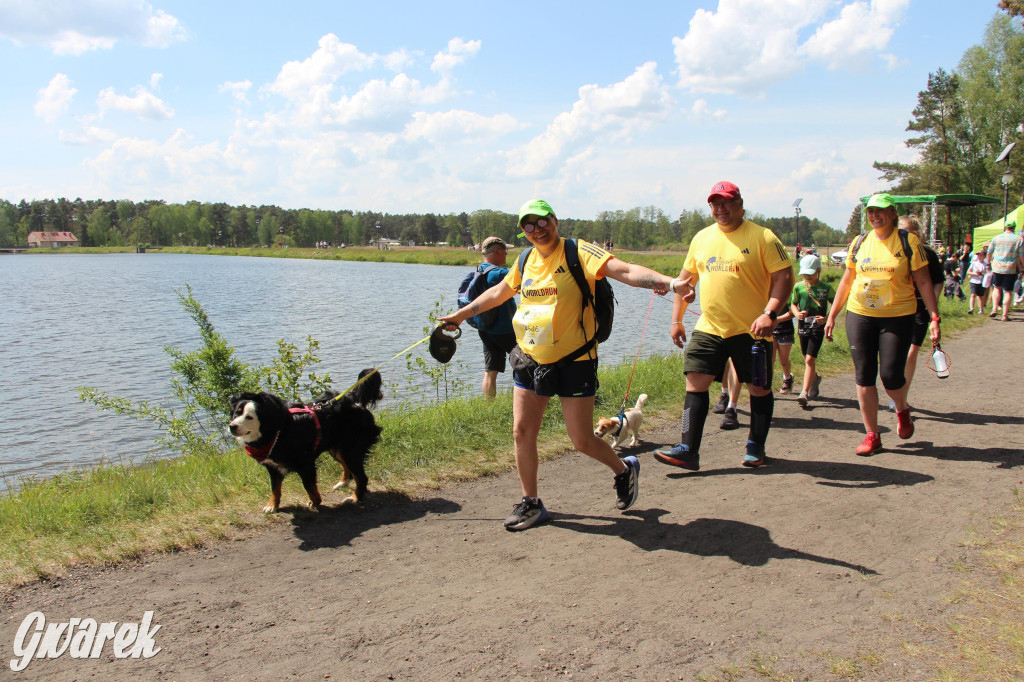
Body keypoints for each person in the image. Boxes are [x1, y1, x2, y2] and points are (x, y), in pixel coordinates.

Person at [438, 199, 677, 531]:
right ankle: (530, 503)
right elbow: (498, 294)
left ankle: (624, 470)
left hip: (575, 361)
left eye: (542, 222)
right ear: (523, 232)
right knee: (522, 432)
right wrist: (460, 315)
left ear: (555, 220)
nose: (537, 230)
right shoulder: (525, 260)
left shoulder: (578, 251)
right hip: (531, 357)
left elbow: (623, 270)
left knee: (581, 440)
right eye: (529, 226)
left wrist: (669, 281)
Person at [655, 181, 794, 470]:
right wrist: (677, 320)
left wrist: (770, 313)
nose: (721, 209)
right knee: (694, 383)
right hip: (710, 327)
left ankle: (756, 445)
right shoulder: (702, 238)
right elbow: (685, 282)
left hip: (752, 330)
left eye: (726, 203)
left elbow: (785, 278)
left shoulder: (763, 237)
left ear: (740, 204)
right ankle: (688, 449)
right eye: (715, 204)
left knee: (758, 390)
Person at [824, 194, 941, 456]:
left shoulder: (907, 241)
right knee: (864, 374)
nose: (875, 216)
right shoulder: (859, 242)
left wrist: (934, 317)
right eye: (870, 212)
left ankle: (902, 409)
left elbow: (923, 281)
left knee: (890, 375)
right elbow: (847, 279)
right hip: (861, 313)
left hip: (897, 316)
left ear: (892, 213)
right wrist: (833, 315)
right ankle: (872, 435)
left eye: (881, 211)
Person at [892, 215, 944, 410]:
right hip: (897, 308)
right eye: (902, 232)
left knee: (911, 351)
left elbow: (937, 281)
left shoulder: (928, 254)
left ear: (919, 236)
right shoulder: (891, 252)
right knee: (896, 352)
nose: (906, 237)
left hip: (920, 309)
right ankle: (896, 390)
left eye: (910, 233)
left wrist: (933, 304)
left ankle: (900, 397)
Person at [473, 236, 518, 398]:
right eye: (505, 252)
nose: (506, 255)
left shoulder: (478, 271)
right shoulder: (501, 273)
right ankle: (524, 401)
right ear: (497, 251)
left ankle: (489, 404)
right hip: (506, 329)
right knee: (524, 364)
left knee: (490, 370)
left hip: (485, 328)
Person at [790, 253, 834, 407]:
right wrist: (797, 314)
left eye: (810, 274)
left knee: (810, 359)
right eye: (804, 274)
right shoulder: (799, 287)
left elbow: (835, 304)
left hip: (817, 327)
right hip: (803, 326)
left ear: (818, 271)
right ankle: (815, 378)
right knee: (806, 358)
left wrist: (827, 319)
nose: (807, 277)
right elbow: (793, 303)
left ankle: (804, 392)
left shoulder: (826, 287)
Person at [988, 220, 1024, 321]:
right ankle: (1004, 315)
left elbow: (989, 252)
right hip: (1010, 268)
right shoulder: (1019, 240)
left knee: (996, 288)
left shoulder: (996, 238)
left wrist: (988, 263)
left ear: (1005, 227)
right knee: (1008, 291)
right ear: (1014, 227)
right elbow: (1021, 256)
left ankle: (994, 308)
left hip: (997, 267)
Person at [966, 245, 990, 314]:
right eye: (978, 255)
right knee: (973, 294)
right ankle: (971, 308)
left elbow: (987, 273)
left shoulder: (985, 264)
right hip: (973, 281)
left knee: (980, 296)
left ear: (984, 257)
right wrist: (975, 273)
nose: (979, 257)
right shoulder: (974, 263)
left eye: (981, 255)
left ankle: (981, 309)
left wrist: (982, 273)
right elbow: (968, 272)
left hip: (981, 282)